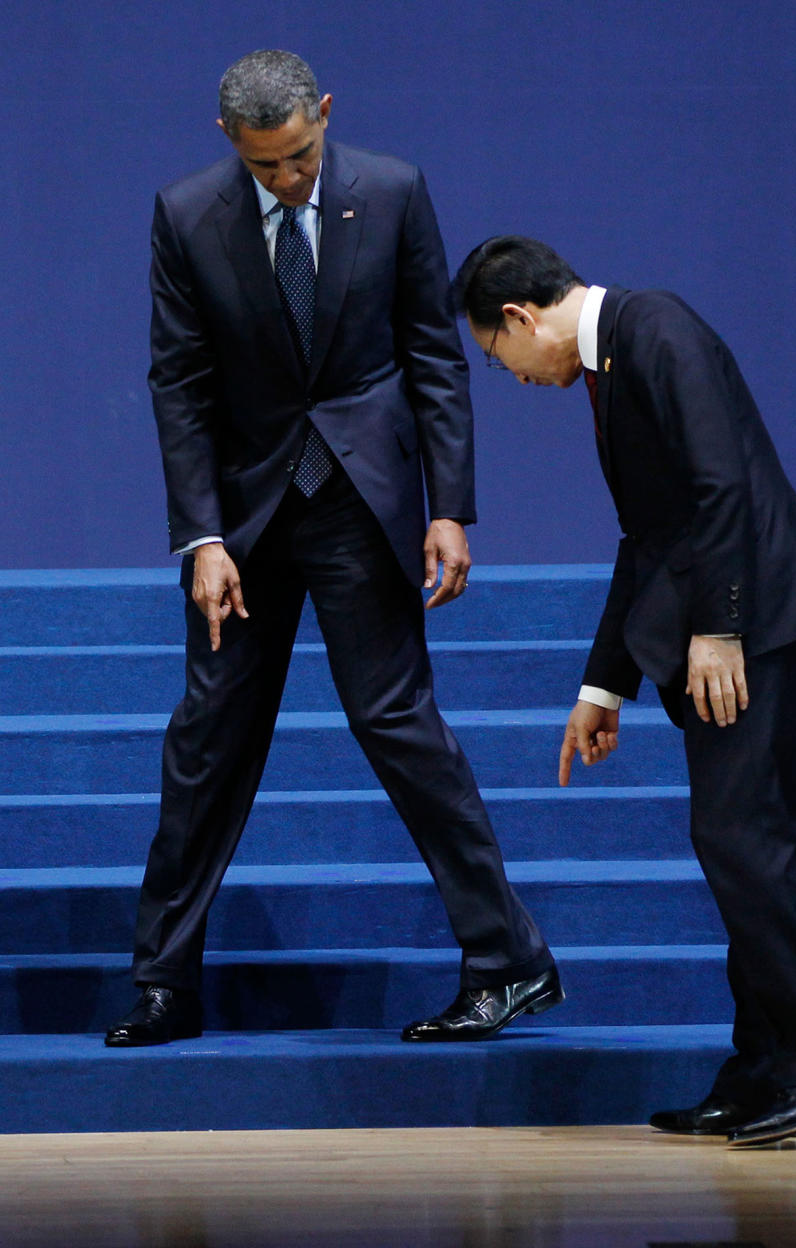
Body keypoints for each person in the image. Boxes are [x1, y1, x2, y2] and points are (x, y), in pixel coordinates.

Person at [105, 55, 562, 1048]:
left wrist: (451, 509)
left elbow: (432, 356)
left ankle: (508, 961)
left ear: (324, 115)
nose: (289, 180)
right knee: (208, 740)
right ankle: (165, 984)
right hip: (244, 523)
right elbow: (177, 384)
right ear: (230, 139)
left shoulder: (392, 192)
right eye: (267, 167)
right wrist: (201, 537)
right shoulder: (184, 216)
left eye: (302, 156)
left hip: (364, 504)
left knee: (400, 725)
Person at [452, 235, 796, 1146]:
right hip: (734, 621)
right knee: (743, 843)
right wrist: (603, 687)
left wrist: (721, 627)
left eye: (501, 358)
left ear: (524, 319)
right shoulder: (619, 360)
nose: (517, 378)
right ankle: (764, 1069)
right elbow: (645, 537)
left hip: (755, 622)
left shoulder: (658, 329)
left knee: (739, 839)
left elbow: (722, 488)